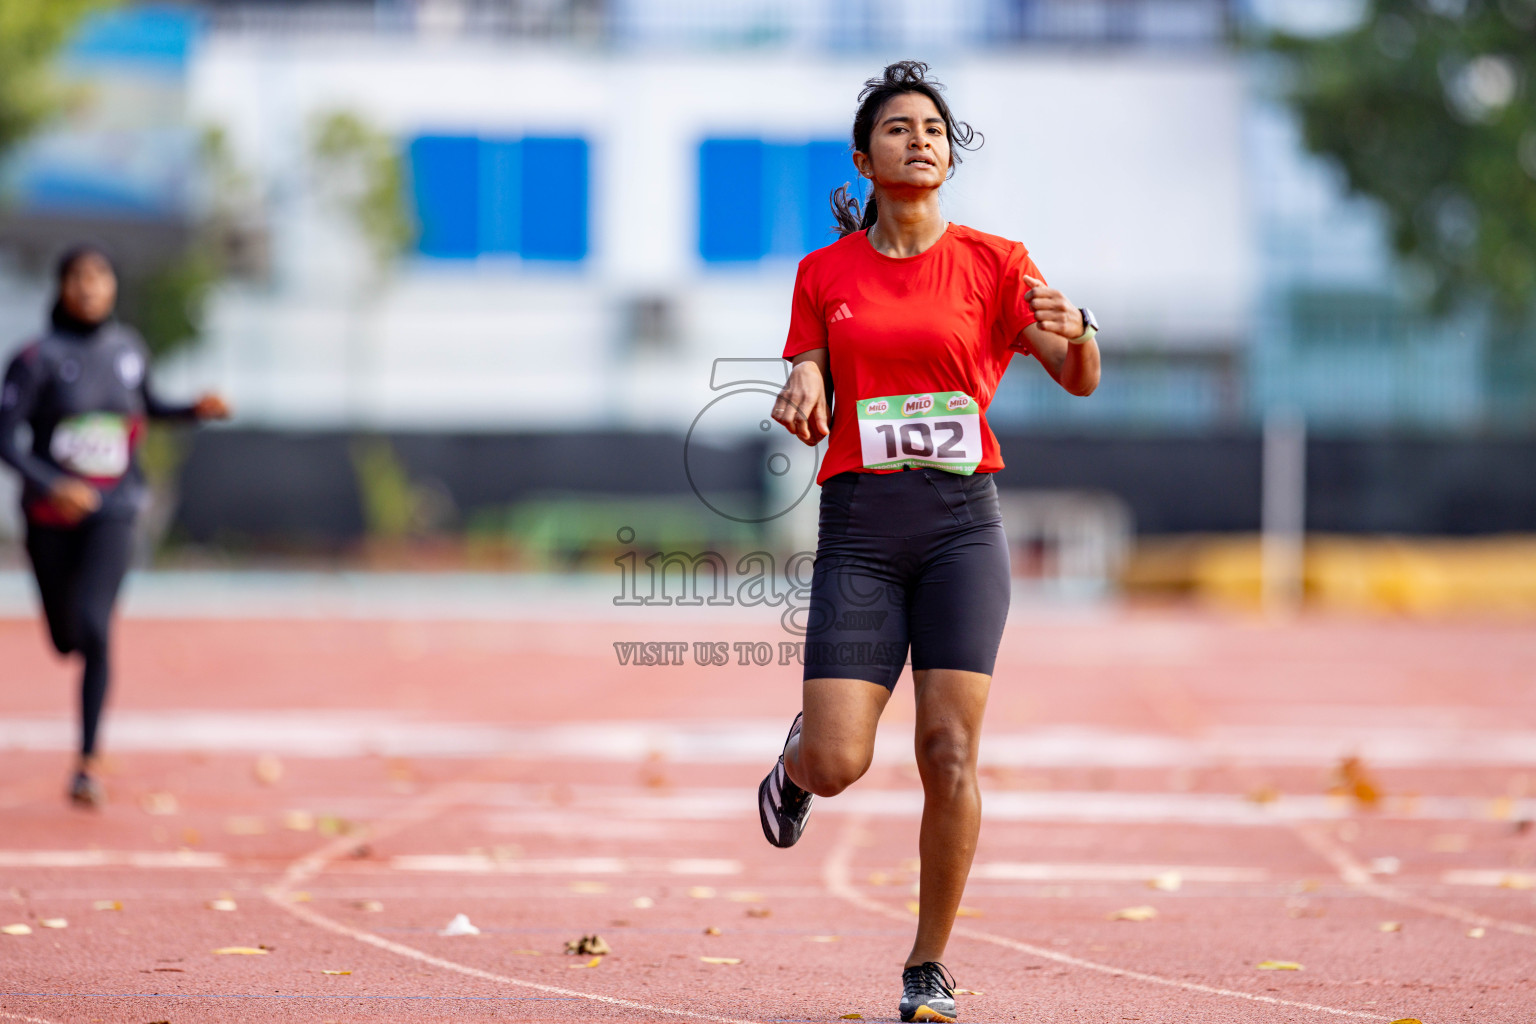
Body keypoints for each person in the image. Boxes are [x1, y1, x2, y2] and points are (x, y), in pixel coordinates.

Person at [758, 61, 1101, 1023]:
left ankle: (928, 964)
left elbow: (1079, 375)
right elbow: (809, 369)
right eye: (899, 128)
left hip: (961, 529)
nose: (921, 139)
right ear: (865, 158)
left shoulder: (998, 262)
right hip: (863, 528)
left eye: (935, 129)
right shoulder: (824, 274)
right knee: (840, 762)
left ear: (950, 155)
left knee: (949, 751)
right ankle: (796, 766)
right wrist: (808, 386)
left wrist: (1080, 329)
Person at [0, 244, 230, 808]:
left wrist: (193, 410)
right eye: (78, 277)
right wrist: (54, 486)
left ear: (113, 286)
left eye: (100, 276)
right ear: (61, 287)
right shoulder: (36, 358)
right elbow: (6, 439)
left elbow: (147, 405)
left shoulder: (127, 349)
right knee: (66, 638)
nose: (89, 287)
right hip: (50, 517)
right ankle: (75, 640)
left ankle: (87, 762)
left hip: (116, 510)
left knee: (96, 627)